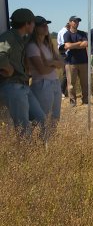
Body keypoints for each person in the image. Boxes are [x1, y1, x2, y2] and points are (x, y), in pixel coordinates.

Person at [0, 8, 46, 138]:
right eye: (33, 23)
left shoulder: (21, 37)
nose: (34, 26)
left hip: (23, 86)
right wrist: (7, 68)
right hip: (12, 87)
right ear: (27, 24)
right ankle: (25, 156)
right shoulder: (8, 37)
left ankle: (42, 153)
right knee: (23, 127)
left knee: (41, 119)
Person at [26, 16, 64, 140]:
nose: (46, 27)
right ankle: (40, 142)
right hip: (42, 84)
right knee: (43, 117)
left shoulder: (48, 45)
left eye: (46, 24)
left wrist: (50, 63)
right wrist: (54, 63)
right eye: (42, 25)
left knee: (55, 116)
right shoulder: (32, 47)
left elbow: (61, 63)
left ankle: (49, 142)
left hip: (54, 82)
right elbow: (41, 70)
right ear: (35, 28)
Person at [63, 15, 89, 107]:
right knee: (71, 84)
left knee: (85, 83)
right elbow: (67, 46)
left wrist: (73, 45)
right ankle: (72, 101)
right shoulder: (67, 34)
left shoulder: (82, 33)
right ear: (70, 22)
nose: (76, 23)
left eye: (77, 21)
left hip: (83, 61)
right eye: (74, 21)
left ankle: (85, 100)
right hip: (71, 62)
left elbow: (86, 43)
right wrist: (79, 43)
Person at [57, 21, 70, 98]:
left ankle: (64, 91)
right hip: (65, 54)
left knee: (67, 74)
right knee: (66, 74)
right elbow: (65, 45)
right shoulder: (65, 32)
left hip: (63, 54)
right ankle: (62, 91)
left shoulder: (61, 31)